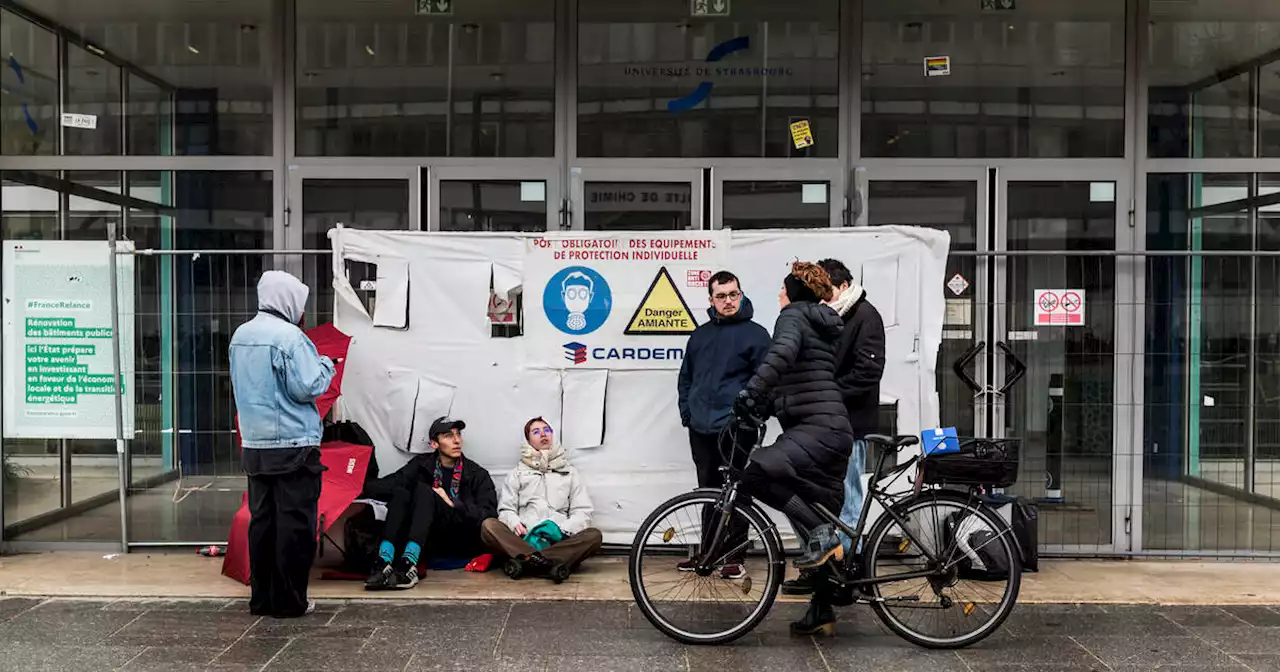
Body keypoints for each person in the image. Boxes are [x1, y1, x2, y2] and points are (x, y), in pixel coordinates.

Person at [732, 261, 852, 637]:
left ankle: (823, 535)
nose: (779, 295)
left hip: (817, 428)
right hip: (831, 428)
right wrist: (767, 405)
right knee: (815, 511)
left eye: (783, 289)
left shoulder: (792, 317)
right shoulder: (822, 323)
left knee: (756, 473)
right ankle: (822, 612)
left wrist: (751, 391)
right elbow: (802, 375)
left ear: (794, 293)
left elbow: (781, 357)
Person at [229, 270, 336, 619]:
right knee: (295, 526)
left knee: (263, 523)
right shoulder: (290, 338)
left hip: (256, 446)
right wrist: (326, 365)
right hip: (293, 446)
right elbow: (308, 386)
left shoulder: (240, 336)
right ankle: (290, 602)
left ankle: (261, 599)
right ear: (289, 301)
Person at [783, 258, 886, 597]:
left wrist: (824, 395)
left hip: (850, 425)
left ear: (843, 287)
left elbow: (867, 374)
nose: (822, 298)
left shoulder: (865, 316)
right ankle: (820, 567)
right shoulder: (826, 317)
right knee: (809, 499)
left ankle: (846, 570)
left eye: (828, 293)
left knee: (849, 500)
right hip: (817, 425)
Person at [676, 270, 772, 579]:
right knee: (708, 493)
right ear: (711, 299)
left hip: (737, 429)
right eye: (721, 296)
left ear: (741, 294)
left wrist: (750, 416)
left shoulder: (757, 334)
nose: (728, 301)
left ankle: (735, 556)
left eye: (733, 294)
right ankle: (708, 553)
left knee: (738, 493)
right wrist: (687, 414)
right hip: (701, 429)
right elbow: (686, 378)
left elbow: (766, 381)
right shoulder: (700, 335)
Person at [361, 417, 498, 590]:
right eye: (448, 436)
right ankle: (383, 561)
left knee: (424, 491)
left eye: (458, 434)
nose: (457, 440)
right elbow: (391, 483)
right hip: (427, 537)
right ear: (434, 444)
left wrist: (453, 503)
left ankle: (409, 564)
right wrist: (353, 485)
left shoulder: (476, 474)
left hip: (459, 537)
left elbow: (490, 514)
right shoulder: (422, 465)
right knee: (401, 492)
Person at [481, 418, 604, 583]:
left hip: (559, 540)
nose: (543, 434)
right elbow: (506, 509)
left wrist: (563, 530)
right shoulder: (517, 474)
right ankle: (550, 565)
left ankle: (527, 562)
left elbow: (582, 510)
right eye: (536, 432)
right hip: (525, 538)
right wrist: (515, 524)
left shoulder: (570, 472)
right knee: (488, 526)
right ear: (528, 440)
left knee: (594, 536)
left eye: (547, 430)